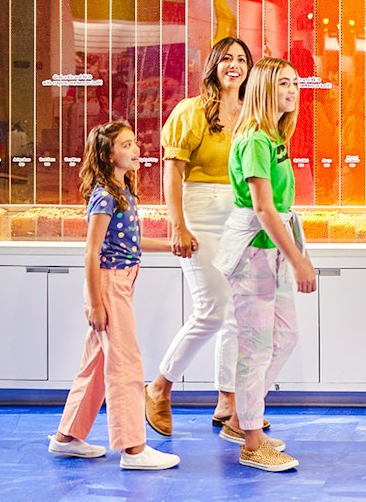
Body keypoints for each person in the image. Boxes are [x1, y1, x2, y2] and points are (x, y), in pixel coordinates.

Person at [48, 121, 180, 471]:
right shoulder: (104, 196)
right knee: (126, 365)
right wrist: (95, 302)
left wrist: (173, 246)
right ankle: (133, 448)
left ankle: (67, 437)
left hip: (121, 280)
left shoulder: (123, 191)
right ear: (108, 155)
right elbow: (92, 252)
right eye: (126, 145)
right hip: (109, 284)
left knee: (96, 365)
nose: (136, 149)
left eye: (135, 142)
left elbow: (130, 244)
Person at [145, 37, 255, 436]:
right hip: (201, 211)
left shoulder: (251, 113)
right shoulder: (190, 111)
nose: (235, 65)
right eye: (227, 58)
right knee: (212, 307)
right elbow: (172, 171)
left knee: (237, 310)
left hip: (242, 213)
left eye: (242, 59)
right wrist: (177, 225)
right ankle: (159, 386)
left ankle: (228, 400)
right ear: (213, 65)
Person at [213, 57, 316, 472]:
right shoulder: (255, 138)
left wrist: (296, 254)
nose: (293, 91)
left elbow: (281, 210)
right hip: (254, 251)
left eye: (295, 83)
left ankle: (242, 418)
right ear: (264, 89)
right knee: (255, 349)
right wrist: (299, 260)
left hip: (271, 250)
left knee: (284, 337)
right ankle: (252, 443)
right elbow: (263, 209)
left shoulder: (274, 136)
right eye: (284, 83)